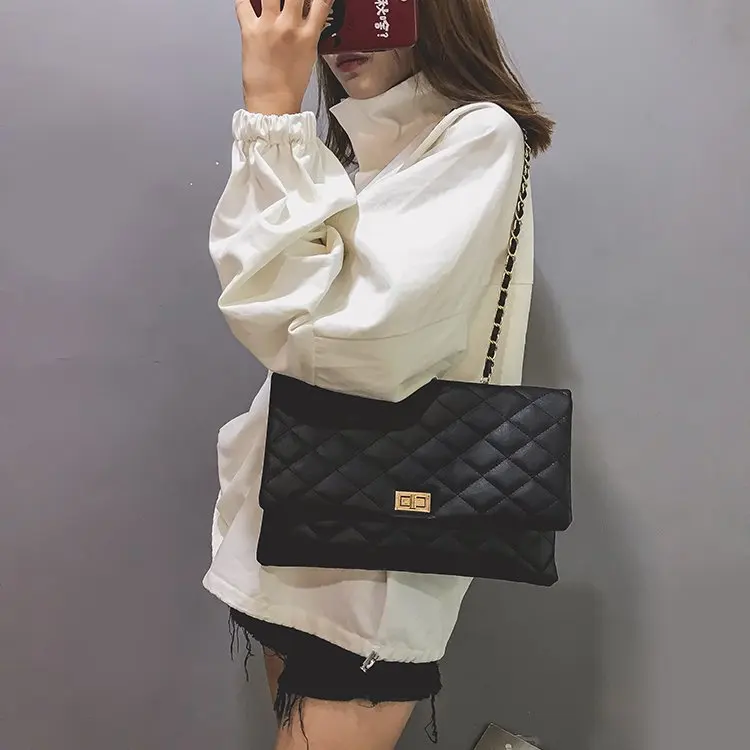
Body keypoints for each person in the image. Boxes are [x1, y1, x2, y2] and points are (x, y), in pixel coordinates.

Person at [205, 1, 554, 747]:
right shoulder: (366, 153)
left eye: (358, 7)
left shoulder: (478, 137)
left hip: (374, 562)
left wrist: (271, 112)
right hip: (295, 530)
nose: (334, 37)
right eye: (320, 11)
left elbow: (337, 336)